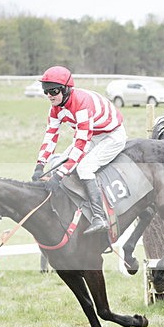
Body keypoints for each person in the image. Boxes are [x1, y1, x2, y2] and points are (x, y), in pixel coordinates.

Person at [31, 65, 127, 234]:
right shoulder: (55, 108)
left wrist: (59, 176)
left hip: (112, 136)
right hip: (92, 135)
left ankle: (99, 217)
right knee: (56, 163)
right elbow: (50, 136)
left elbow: (81, 145)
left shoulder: (81, 105)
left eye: (53, 91)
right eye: (45, 91)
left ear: (66, 89)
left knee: (84, 168)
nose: (49, 95)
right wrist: (39, 166)